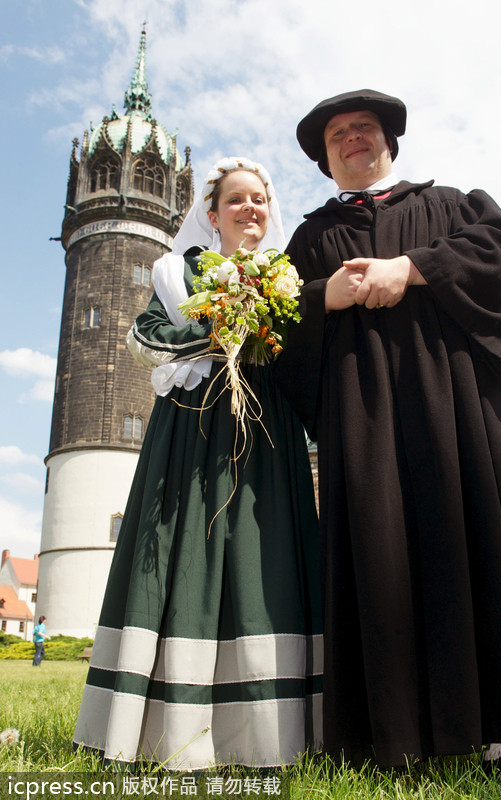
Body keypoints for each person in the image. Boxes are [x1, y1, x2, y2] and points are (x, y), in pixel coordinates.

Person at [275, 89, 501, 780]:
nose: (353, 139)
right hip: (362, 422)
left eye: (365, 128)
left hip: (458, 410)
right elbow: (277, 329)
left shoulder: (450, 204)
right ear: (325, 158)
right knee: (379, 559)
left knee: (478, 544)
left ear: (390, 140)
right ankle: (396, 741)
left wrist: (411, 269)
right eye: (338, 135)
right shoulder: (308, 241)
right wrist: (321, 295)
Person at [73, 157, 322, 770]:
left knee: (264, 561)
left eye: (258, 199)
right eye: (235, 200)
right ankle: (167, 728)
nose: (249, 209)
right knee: (188, 556)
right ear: (211, 215)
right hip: (194, 430)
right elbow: (145, 336)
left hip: (268, 434)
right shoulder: (177, 271)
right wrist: (221, 325)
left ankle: (271, 733)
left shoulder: (287, 276)